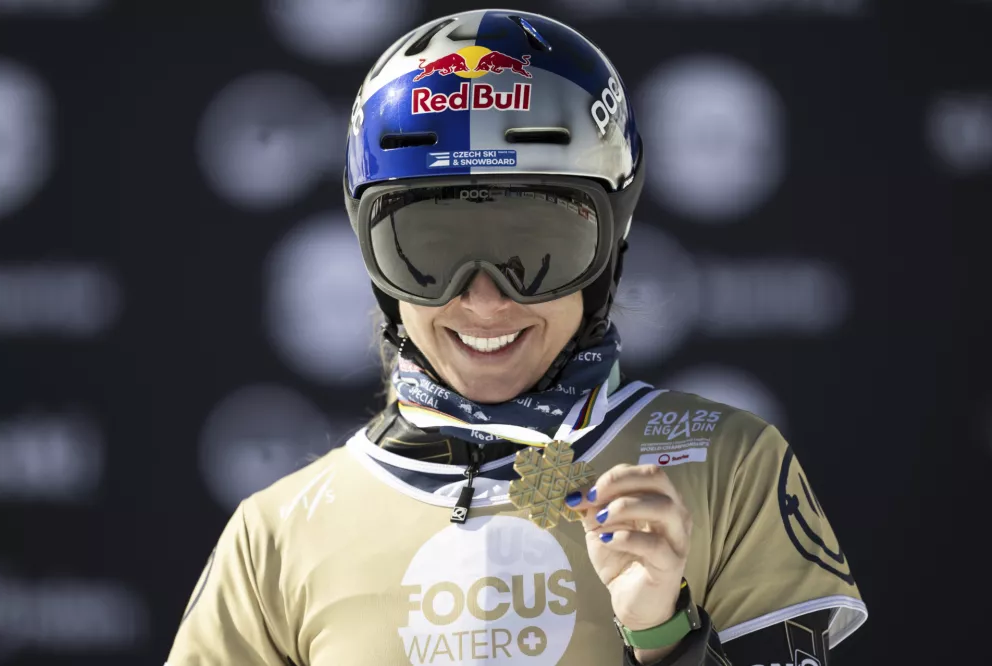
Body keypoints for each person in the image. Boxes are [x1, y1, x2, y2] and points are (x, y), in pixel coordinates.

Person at [165, 9, 867, 666]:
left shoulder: (726, 466)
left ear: (609, 248)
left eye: (536, 246)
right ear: (374, 262)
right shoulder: (274, 536)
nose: (485, 299)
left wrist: (665, 634)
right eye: (430, 248)